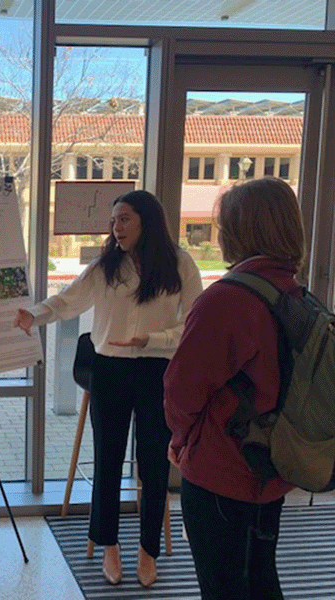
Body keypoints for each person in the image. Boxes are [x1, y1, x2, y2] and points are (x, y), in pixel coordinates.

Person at [15, 190, 202, 587]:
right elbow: (67, 302)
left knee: (154, 464)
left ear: (147, 221)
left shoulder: (180, 264)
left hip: (157, 370)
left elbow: (194, 324)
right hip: (109, 370)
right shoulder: (106, 267)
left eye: (125, 219)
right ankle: (109, 546)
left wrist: (153, 340)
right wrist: (32, 315)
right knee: (108, 460)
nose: (116, 228)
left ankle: (148, 551)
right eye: (113, 220)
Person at [164, 177, 302, 599]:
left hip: (223, 470)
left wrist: (181, 440)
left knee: (222, 584)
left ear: (243, 231)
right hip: (273, 466)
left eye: (224, 226)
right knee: (261, 577)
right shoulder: (293, 293)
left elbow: (182, 389)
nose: (220, 235)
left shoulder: (227, 299)